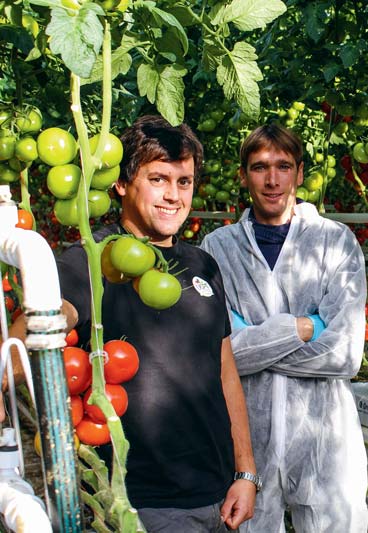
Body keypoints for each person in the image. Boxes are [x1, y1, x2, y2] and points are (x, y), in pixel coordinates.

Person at [55, 115, 257, 531]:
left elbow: (225, 371)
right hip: (139, 503)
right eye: (159, 179)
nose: (173, 195)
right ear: (122, 184)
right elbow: (48, 320)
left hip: (217, 494)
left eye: (183, 182)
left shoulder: (204, 264)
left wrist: (245, 472)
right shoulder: (94, 260)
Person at [200, 123, 368, 532]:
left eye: (283, 166)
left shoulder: (335, 242)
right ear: (243, 175)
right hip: (248, 444)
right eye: (259, 167)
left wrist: (251, 337)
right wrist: (306, 326)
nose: (272, 179)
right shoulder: (216, 250)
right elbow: (220, 357)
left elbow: (345, 354)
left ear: (300, 173)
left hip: (324, 438)